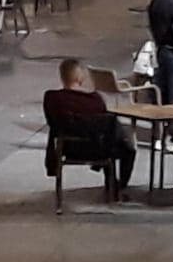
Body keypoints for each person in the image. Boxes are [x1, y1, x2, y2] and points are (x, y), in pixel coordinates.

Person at [42, 59, 137, 193]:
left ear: (62, 76)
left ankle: (111, 183)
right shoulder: (95, 100)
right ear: (79, 77)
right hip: (100, 149)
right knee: (124, 144)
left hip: (67, 148)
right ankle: (118, 187)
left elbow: (52, 123)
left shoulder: (52, 98)